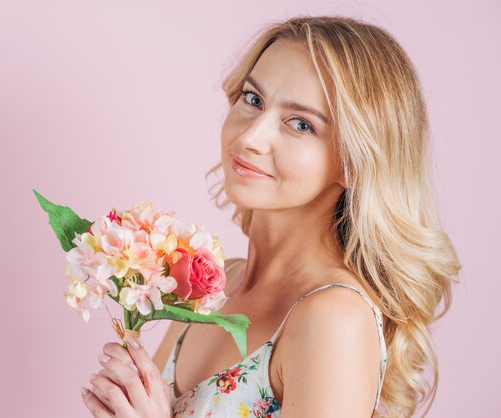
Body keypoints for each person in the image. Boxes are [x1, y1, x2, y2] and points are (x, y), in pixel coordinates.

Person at [81, 15, 461, 418]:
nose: (249, 137)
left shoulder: (333, 319)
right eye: (253, 99)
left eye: (300, 124)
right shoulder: (211, 288)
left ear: (354, 163)